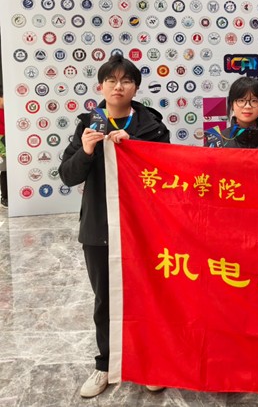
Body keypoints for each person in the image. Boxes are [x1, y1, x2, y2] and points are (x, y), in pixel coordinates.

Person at [58, 54, 170, 398]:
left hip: (143, 228)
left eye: (126, 80)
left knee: (147, 295)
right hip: (99, 228)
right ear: (101, 87)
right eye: (112, 80)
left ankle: (149, 361)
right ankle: (105, 364)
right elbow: (68, 175)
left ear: (135, 87)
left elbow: (167, 173)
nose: (118, 86)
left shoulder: (152, 126)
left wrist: (136, 147)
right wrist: (86, 151)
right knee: (105, 299)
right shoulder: (88, 125)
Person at [204, 77, 258, 149]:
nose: (247, 106)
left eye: (254, 101)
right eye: (241, 100)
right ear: (232, 104)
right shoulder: (217, 141)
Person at [0, 86, 7, 209]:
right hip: (2, 144)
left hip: (11, 141)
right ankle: (5, 197)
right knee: (5, 171)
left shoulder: (8, 111)